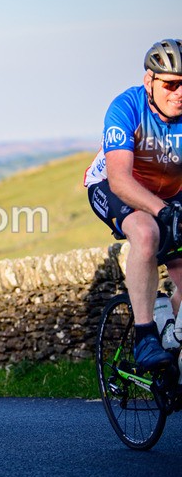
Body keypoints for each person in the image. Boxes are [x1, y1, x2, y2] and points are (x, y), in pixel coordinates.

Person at [84, 38, 182, 370]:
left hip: (170, 191)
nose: (178, 93)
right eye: (170, 84)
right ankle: (144, 337)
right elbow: (120, 180)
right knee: (146, 231)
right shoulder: (127, 107)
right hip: (116, 186)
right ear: (149, 81)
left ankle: (171, 338)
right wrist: (165, 212)